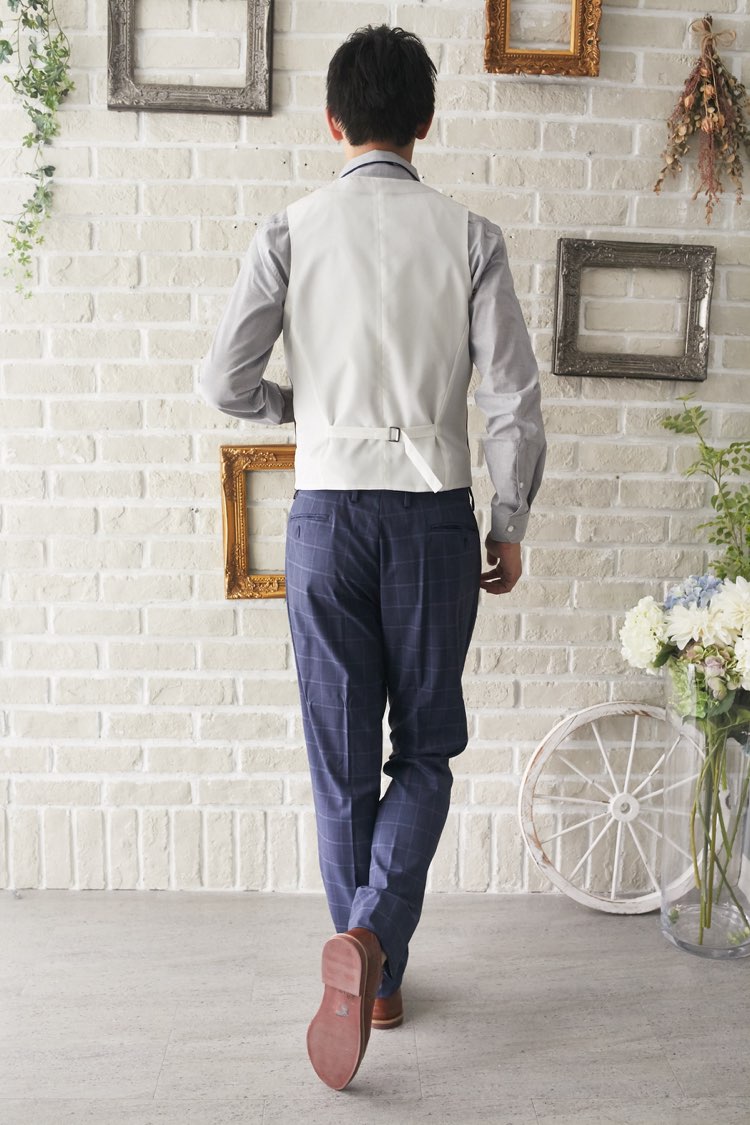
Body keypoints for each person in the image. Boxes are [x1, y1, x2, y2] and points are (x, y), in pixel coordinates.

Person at [199, 24, 546, 1091]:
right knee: (427, 749)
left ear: (333, 121)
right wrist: (509, 521)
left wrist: (303, 414)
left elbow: (225, 382)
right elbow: (512, 398)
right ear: (426, 123)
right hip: (433, 520)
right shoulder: (471, 235)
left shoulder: (289, 230)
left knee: (340, 764)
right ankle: (377, 946)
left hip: (326, 519)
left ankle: (372, 972)